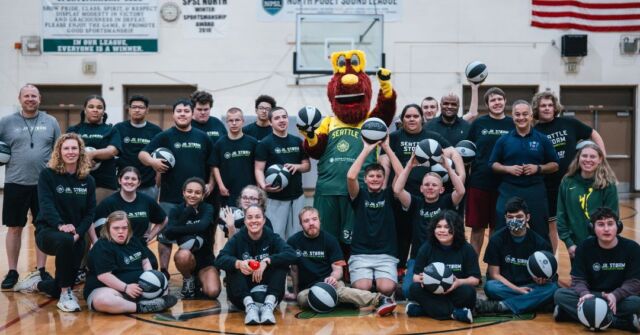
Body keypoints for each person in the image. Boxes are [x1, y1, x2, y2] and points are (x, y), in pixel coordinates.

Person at [13, 133, 95, 312]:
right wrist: (60, 225)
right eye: (66, 148)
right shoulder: (48, 175)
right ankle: (66, 295)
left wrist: (79, 233)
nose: (70, 152)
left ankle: (38, 284)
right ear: (59, 151)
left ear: (81, 151)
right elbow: (46, 205)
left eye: (74, 148)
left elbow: (90, 213)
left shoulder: (88, 180)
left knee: (58, 285)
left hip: (75, 235)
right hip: (48, 231)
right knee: (66, 241)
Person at [378, 103, 465, 272]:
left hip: (428, 194)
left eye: (415, 116)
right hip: (403, 193)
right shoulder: (395, 137)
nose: (411, 119)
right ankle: (401, 268)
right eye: (408, 116)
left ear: (422, 118)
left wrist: (460, 175)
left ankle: (432, 264)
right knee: (402, 232)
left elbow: (453, 152)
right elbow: (384, 161)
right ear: (402, 119)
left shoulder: (431, 137)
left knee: (427, 231)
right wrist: (384, 183)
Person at [139, 98, 215, 279]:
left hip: (196, 198)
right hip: (169, 196)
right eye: (179, 111)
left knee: (195, 235)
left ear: (192, 114)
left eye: (186, 111)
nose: (182, 114)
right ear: (173, 114)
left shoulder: (202, 137)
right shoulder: (165, 136)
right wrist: (152, 162)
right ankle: (164, 272)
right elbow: (142, 154)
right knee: (166, 237)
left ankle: (193, 271)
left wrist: (211, 183)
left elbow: (213, 163)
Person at [0, 84, 60, 289]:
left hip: (44, 184)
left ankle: (41, 270)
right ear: (19, 98)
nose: (30, 99)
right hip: (15, 183)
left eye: (34, 96)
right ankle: (12, 271)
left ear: (40, 99)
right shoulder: (6, 122)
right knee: (14, 228)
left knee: (42, 227)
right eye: (26, 96)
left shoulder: (50, 121)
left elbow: (58, 151)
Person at [287, 206, 397, 316]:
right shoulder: (293, 242)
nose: (311, 223)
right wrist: (296, 293)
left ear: (320, 221)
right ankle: (345, 301)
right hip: (309, 289)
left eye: (314, 219)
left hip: (331, 283)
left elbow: (338, 269)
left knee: (338, 291)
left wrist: (333, 278)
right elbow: (294, 270)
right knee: (301, 299)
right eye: (306, 221)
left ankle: (379, 299)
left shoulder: (331, 240)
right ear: (301, 224)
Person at [533, 91, 606, 253]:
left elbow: (593, 134)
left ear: (555, 107)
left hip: (574, 183)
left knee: (579, 223)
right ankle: (551, 264)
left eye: (550, 105)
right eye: (543, 105)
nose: (547, 108)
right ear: (537, 109)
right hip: (549, 186)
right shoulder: (534, 131)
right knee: (552, 225)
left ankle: (584, 263)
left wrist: (602, 157)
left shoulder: (569, 123)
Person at [554, 207, 640, 332]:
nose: (606, 229)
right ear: (592, 228)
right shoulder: (584, 247)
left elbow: (634, 282)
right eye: (600, 224)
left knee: (636, 302)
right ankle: (621, 322)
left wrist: (615, 295)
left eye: (610, 224)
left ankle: (572, 315)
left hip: (619, 298)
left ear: (618, 226)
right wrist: (585, 294)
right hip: (592, 295)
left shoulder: (632, 248)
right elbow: (578, 280)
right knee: (560, 295)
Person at [393, 153, 465, 298]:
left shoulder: (446, 202)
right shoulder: (415, 203)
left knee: (448, 288)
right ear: (421, 189)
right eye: (426, 185)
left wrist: (448, 169)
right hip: (418, 258)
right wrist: (409, 165)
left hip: (443, 256)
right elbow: (397, 190)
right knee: (408, 291)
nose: (430, 187)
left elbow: (461, 191)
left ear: (441, 189)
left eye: (434, 185)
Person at [490, 100, 559, 242]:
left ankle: (543, 263)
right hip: (509, 190)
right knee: (501, 230)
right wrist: (507, 169)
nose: (521, 117)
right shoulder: (504, 140)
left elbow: (555, 165)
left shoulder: (542, 139)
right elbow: (492, 164)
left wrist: (538, 168)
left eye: (525, 114)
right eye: (517, 114)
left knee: (540, 231)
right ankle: (501, 263)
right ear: (513, 116)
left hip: (535, 190)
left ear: (531, 116)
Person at [82, 211, 177, 314]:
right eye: (116, 228)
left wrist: (151, 279)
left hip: (137, 288)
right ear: (108, 229)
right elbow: (104, 276)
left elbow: (145, 262)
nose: (121, 231)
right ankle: (141, 307)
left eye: (124, 228)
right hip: (108, 289)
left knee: (162, 285)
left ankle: (146, 301)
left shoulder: (133, 241)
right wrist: (126, 288)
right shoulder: (102, 247)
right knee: (103, 300)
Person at [215, 205, 296, 325]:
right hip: (242, 295)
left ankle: (268, 305)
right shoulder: (238, 238)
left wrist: (267, 261)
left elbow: (292, 254)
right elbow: (219, 259)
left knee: (280, 263)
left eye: (258, 217)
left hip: (270, 291)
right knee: (233, 264)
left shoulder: (272, 237)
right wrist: (239, 263)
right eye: (250, 217)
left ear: (263, 220)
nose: (254, 221)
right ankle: (250, 307)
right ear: (245, 221)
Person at [476, 197, 558, 315]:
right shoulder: (496, 240)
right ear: (505, 218)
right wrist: (518, 290)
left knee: (552, 288)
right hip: (507, 285)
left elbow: (548, 276)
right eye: (510, 217)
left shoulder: (540, 243)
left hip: (531, 285)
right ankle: (535, 302)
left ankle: (503, 306)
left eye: (519, 217)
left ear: (527, 217)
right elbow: (494, 274)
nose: (514, 220)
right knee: (490, 287)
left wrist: (541, 280)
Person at [347, 137, 403, 297]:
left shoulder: (390, 195)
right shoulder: (359, 195)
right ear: (365, 179)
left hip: (385, 254)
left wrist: (386, 147)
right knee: (362, 287)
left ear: (384, 179)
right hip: (361, 254)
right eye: (371, 176)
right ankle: (375, 299)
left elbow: (401, 173)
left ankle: (380, 297)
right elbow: (351, 177)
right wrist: (367, 148)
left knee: (386, 288)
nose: (375, 179)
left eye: (379, 176)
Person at [406, 210, 480, 323]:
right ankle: (455, 313)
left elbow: (475, 279)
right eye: (438, 226)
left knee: (469, 292)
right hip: (432, 293)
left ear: (456, 229)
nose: (442, 230)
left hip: (455, 291)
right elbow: (415, 277)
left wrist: (459, 282)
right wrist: (422, 279)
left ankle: (425, 310)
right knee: (414, 289)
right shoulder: (426, 248)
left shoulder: (466, 249)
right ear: (433, 229)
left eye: (447, 227)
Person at [465, 87, 514, 256]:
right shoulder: (479, 123)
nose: (497, 102)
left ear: (505, 101)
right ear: (487, 104)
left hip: (505, 184)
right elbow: (467, 150)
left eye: (500, 99)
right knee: (477, 229)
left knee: (498, 228)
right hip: (479, 182)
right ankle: (472, 269)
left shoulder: (512, 124)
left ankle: (493, 270)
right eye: (493, 100)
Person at [91, 167, 167, 270]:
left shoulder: (146, 200)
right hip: (116, 247)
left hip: (138, 245)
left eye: (133, 179)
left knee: (152, 264)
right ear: (119, 180)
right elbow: (92, 222)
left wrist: (150, 236)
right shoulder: (109, 202)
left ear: (139, 182)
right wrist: (97, 244)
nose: (130, 182)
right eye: (126, 178)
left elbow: (163, 219)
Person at [255, 106, 310, 240]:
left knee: (296, 234)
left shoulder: (297, 141)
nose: (281, 120)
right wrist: (263, 185)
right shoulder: (265, 143)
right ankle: (278, 261)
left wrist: (297, 167)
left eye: (284, 117)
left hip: (297, 196)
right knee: (276, 235)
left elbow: (307, 166)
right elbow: (258, 169)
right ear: (270, 122)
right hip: (275, 199)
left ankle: (294, 261)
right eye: (277, 118)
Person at [557, 142, 618, 260]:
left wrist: (594, 243)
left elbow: (612, 217)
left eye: (592, 156)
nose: (588, 160)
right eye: (584, 156)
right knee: (579, 278)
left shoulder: (608, 184)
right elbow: (561, 214)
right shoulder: (567, 181)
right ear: (578, 158)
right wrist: (569, 243)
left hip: (600, 245)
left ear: (600, 159)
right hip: (575, 247)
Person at [162, 177, 221, 299]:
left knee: (213, 292)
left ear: (203, 195)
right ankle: (188, 279)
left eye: (197, 192)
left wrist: (177, 229)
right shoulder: (176, 210)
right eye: (189, 191)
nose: (193, 195)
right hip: (187, 258)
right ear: (183, 192)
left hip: (206, 260)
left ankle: (198, 279)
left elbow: (202, 226)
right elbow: (168, 235)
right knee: (183, 255)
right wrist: (188, 211)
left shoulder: (207, 208)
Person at [67, 95, 121, 203]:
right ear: (85, 110)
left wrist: (91, 155)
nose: (95, 110)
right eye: (91, 107)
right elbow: (67, 151)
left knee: (103, 219)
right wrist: (83, 160)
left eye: (99, 107)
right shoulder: (73, 130)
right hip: (77, 181)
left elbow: (112, 151)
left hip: (104, 183)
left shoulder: (111, 130)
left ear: (103, 111)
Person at [113, 95, 162, 200]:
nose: (137, 110)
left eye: (141, 107)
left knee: (147, 215)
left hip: (148, 185)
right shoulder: (118, 128)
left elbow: (160, 156)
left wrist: (158, 180)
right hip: (124, 184)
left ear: (147, 110)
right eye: (134, 107)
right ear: (129, 110)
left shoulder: (156, 131)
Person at [212, 107, 258, 206]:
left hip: (249, 192)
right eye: (230, 120)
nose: (234, 123)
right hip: (228, 192)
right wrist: (221, 186)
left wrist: (258, 187)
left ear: (243, 121)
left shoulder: (252, 143)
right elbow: (214, 166)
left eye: (237, 120)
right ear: (226, 122)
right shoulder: (220, 143)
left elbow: (258, 167)